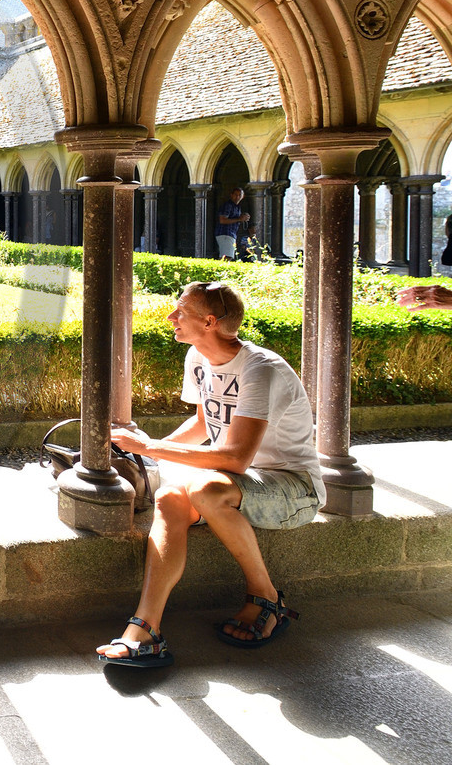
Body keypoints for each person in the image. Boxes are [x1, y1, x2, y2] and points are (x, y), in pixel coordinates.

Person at [96, 280, 323, 669]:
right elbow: (205, 422)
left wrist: (148, 447)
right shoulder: (199, 359)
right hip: (239, 485)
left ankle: (267, 598)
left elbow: (235, 458)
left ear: (210, 322)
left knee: (205, 488)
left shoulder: (260, 370)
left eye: (181, 311)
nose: (172, 317)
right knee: (169, 497)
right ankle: (147, 629)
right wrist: (148, 452)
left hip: (293, 489)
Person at [216, 187, 250, 260]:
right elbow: (222, 220)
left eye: (239, 195)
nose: (237, 197)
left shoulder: (237, 207)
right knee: (226, 257)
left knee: (228, 256)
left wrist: (242, 217)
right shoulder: (228, 205)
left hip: (231, 234)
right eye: (235, 194)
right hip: (225, 233)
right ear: (231, 195)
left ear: (243, 196)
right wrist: (239, 219)